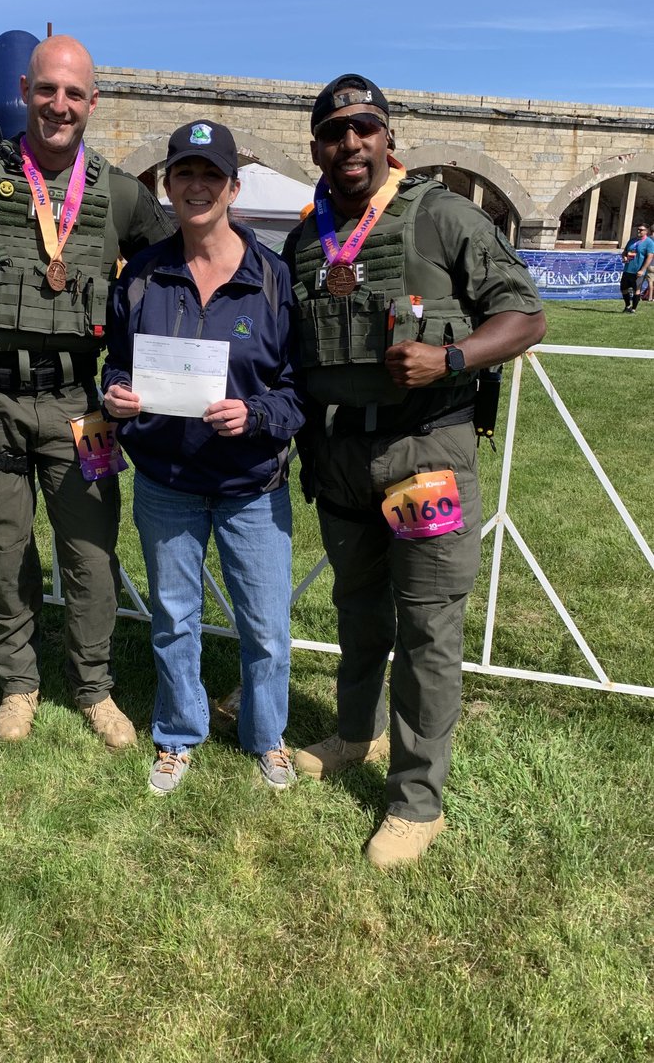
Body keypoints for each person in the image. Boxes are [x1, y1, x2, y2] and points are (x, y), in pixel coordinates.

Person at [283, 74, 546, 868]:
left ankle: (417, 800)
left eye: (364, 128)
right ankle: (354, 736)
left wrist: (453, 356)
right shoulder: (306, 240)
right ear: (318, 149)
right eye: (335, 133)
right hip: (341, 456)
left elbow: (527, 315)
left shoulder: (442, 214)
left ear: (387, 137)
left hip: (425, 452)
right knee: (359, 611)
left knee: (428, 627)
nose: (351, 144)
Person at [0, 35, 172, 745]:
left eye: (74, 94)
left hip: (82, 406)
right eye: (47, 90)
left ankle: (94, 686)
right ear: (25, 91)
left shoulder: (122, 194)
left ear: (93, 103)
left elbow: (176, 266)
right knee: (7, 549)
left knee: (90, 554)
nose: (59, 105)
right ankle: (19, 682)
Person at [101, 121, 304, 794]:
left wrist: (257, 415)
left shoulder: (273, 278)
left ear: (232, 188)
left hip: (252, 485)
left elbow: (298, 390)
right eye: (183, 174)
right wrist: (117, 396)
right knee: (174, 619)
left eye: (209, 175)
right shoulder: (143, 276)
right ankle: (179, 733)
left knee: (268, 628)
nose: (195, 186)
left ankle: (265, 734)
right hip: (168, 482)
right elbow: (117, 365)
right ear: (166, 185)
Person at [621, 222, 654, 309]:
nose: (639, 231)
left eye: (641, 230)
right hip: (627, 269)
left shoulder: (649, 242)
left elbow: (650, 257)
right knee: (623, 289)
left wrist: (642, 270)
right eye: (638, 229)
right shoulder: (632, 240)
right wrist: (624, 257)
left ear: (646, 231)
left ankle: (633, 309)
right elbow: (624, 252)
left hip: (638, 271)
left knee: (637, 290)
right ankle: (627, 306)